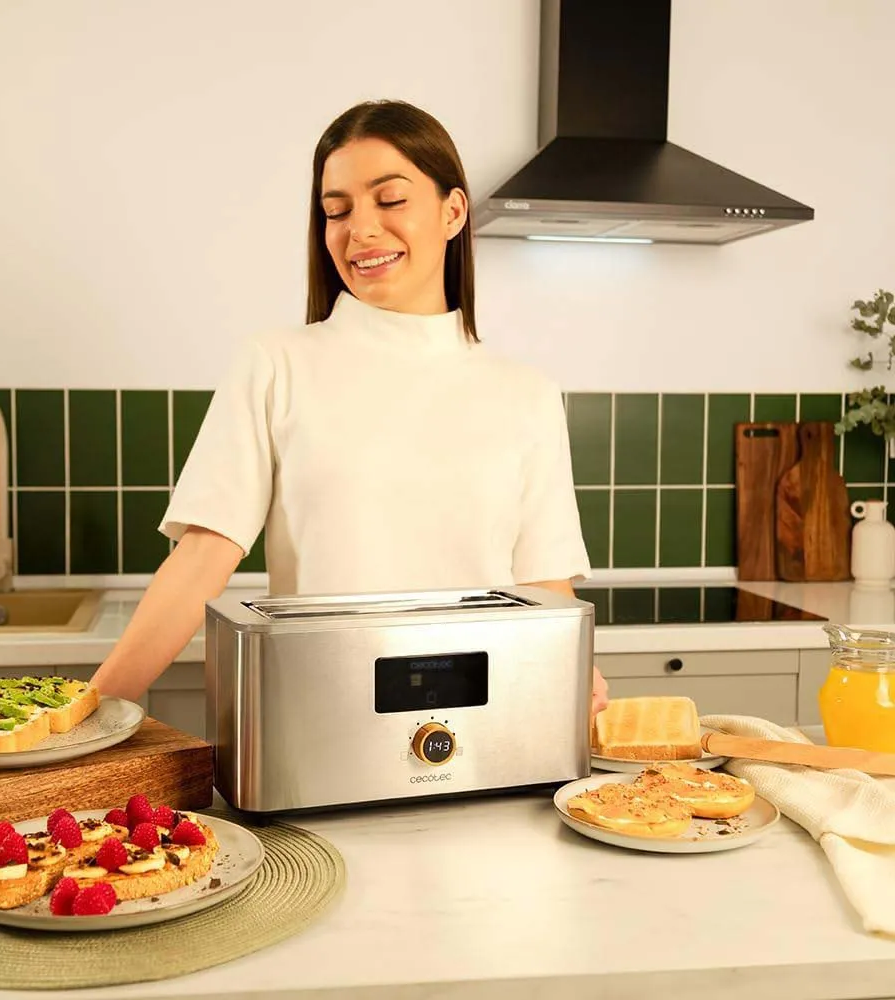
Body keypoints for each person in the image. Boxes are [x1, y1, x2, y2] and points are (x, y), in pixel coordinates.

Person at [89, 99, 608, 717]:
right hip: (320, 724)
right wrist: (85, 714)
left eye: (390, 200)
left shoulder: (526, 392)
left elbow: (544, 586)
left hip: (489, 726)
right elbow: (201, 560)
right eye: (337, 211)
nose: (359, 229)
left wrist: (580, 674)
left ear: (452, 211)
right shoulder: (276, 363)